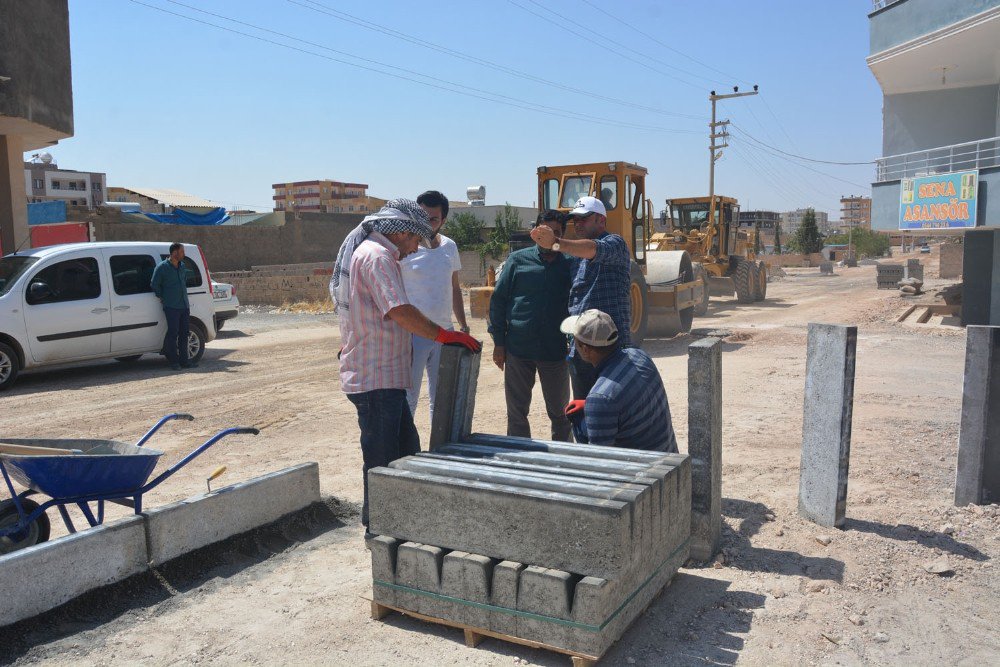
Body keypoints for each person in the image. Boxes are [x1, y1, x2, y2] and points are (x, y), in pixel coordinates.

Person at [330, 199, 481, 532]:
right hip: (375, 380)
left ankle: (401, 525)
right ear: (399, 232)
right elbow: (399, 310)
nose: (415, 249)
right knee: (383, 462)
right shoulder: (377, 256)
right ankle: (381, 531)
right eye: (415, 240)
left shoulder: (380, 254)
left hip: (385, 378)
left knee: (406, 454)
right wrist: (444, 336)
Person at [530, 195, 631, 399]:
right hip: (581, 350)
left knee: (613, 410)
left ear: (601, 220)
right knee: (581, 412)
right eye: (575, 220)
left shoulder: (615, 244)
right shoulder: (575, 257)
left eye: (583, 219)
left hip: (610, 349)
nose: (577, 223)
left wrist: (556, 242)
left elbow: (593, 249)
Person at [488, 210, 573, 441]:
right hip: (518, 349)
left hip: (554, 351)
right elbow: (498, 301)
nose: (550, 238)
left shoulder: (571, 263)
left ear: (562, 234)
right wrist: (499, 343)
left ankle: (564, 463)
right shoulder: (518, 260)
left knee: (561, 414)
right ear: (535, 232)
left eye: (556, 233)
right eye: (546, 232)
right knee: (516, 414)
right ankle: (519, 460)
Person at [561, 309, 677, 452]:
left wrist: (587, 413)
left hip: (643, 471)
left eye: (573, 341)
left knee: (578, 421)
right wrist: (589, 405)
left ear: (585, 349)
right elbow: (628, 400)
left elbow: (600, 460)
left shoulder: (600, 396)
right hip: (668, 456)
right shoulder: (639, 355)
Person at [401, 190, 469, 424]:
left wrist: (463, 325)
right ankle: (405, 452)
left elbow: (455, 288)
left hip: (445, 334)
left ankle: (439, 451)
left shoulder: (450, 247)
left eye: (433, 219)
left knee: (441, 400)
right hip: (413, 335)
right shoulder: (405, 249)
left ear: (443, 220)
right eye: (422, 217)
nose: (427, 224)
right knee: (408, 399)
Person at [151, 242, 193, 370]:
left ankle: (184, 361)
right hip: (171, 307)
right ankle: (174, 362)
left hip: (184, 305)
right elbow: (154, 284)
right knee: (172, 334)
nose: (184, 254)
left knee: (184, 333)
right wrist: (162, 297)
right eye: (182, 252)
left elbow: (184, 281)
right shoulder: (162, 267)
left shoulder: (182, 266)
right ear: (174, 253)